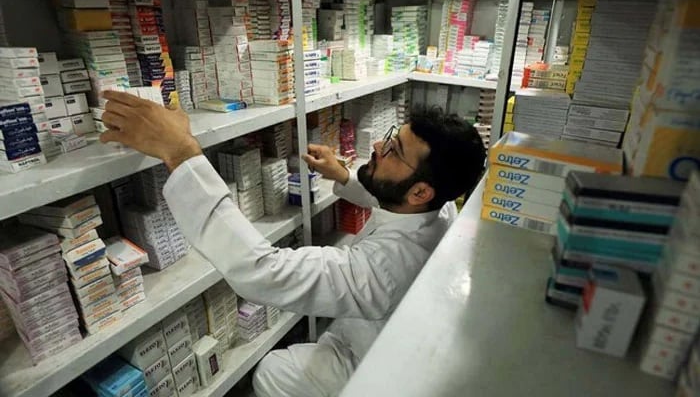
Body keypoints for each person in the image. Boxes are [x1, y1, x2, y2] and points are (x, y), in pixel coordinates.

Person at [99, 91, 486, 397]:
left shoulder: (383, 271)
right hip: (393, 339)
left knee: (273, 372)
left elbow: (262, 270)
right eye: (389, 139)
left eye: (394, 152)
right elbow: (390, 202)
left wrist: (180, 153)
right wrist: (346, 176)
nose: (377, 149)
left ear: (420, 189)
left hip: (379, 366)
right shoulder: (440, 212)